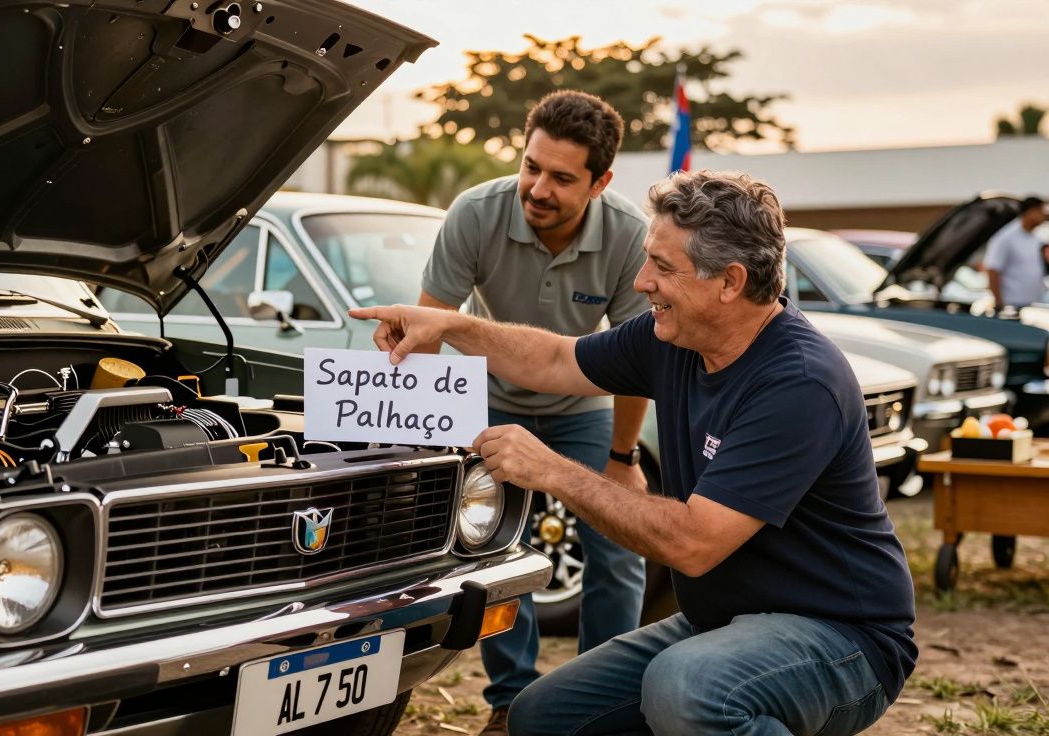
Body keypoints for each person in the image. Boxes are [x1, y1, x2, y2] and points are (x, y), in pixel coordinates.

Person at [353, 170, 917, 736]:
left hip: (842, 638)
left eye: (664, 267)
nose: (643, 281)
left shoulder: (798, 382)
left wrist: (551, 470)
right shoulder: (670, 338)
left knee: (686, 688)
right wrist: (450, 326)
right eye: (649, 259)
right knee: (542, 717)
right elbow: (553, 359)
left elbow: (692, 544)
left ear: (730, 281)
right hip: (723, 622)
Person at [415, 89, 651, 736]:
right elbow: (432, 327)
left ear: (601, 181)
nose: (537, 188)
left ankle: (604, 700)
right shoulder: (476, 213)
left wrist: (622, 459)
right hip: (490, 399)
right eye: (530, 166)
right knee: (493, 546)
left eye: (561, 177)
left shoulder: (631, 235)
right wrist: (441, 432)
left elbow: (637, 363)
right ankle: (510, 701)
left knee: (619, 545)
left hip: (584, 406)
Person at [984, 195, 1046, 310]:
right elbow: (993, 269)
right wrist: (999, 302)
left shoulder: (1037, 238)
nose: (1044, 215)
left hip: (1034, 303)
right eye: (1041, 211)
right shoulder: (1005, 238)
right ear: (1031, 212)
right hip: (1012, 305)